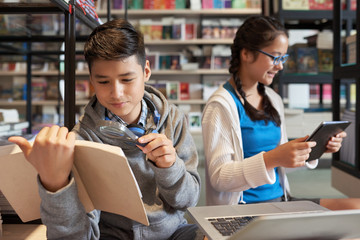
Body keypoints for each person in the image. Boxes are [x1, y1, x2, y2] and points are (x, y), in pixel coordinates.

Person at [9, 19, 202, 240]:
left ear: (146, 71)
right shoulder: (83, 139)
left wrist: (170, 168)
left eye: (127, 79)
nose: (116, 93)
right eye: (103, 82)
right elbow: (78, 236)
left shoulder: (173, 119)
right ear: (91, 79)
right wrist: (56, 185)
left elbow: (189, 201)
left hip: (172, 232)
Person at [201, 15, 360, 211]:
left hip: (281, 201)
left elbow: (283, 162)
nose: (280, 66)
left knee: (356, 207)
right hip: (244, 209)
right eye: (274, 57)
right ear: (247, 54)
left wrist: (314, 149)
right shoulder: (220, 105)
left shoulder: (272, 99)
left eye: (283, 57)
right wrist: (272, 158)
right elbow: (220, 178)